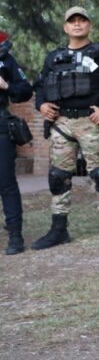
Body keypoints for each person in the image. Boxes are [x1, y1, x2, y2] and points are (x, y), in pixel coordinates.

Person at [32, 6, 99, 250]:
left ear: (89, 25)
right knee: (58, 177)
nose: (77, 25)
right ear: (65, 27)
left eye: (82, 21)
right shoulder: (53, 57)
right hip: (61, 124)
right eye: (72, 21)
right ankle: (58, 231)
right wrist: (41, 105)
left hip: (91, 123)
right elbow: (40, 87)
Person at [0, 31, 33, 254]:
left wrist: (6, 86)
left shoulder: (6, 59)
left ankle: (16, 236)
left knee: (6, 183)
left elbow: (25, 91)